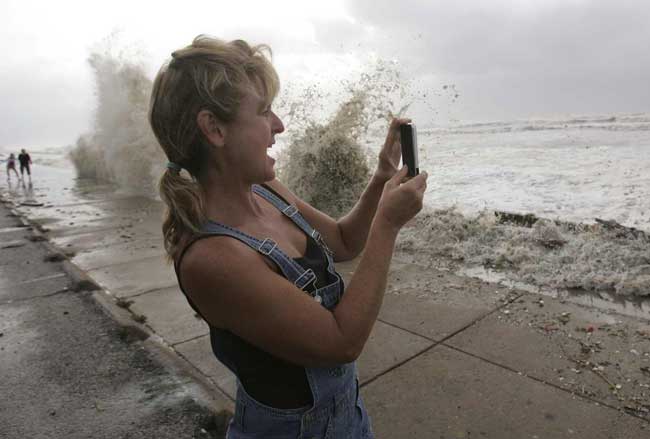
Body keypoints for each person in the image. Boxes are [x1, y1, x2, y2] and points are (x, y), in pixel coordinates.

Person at [148, 35, 428, 438]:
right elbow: (341, 342)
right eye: (264, 112)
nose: (279, 125)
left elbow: (345, 241)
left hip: (348, 420)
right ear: (214, 129)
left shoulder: (267, 191)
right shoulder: (212, 258)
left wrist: (382, 176)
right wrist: (388, 225)